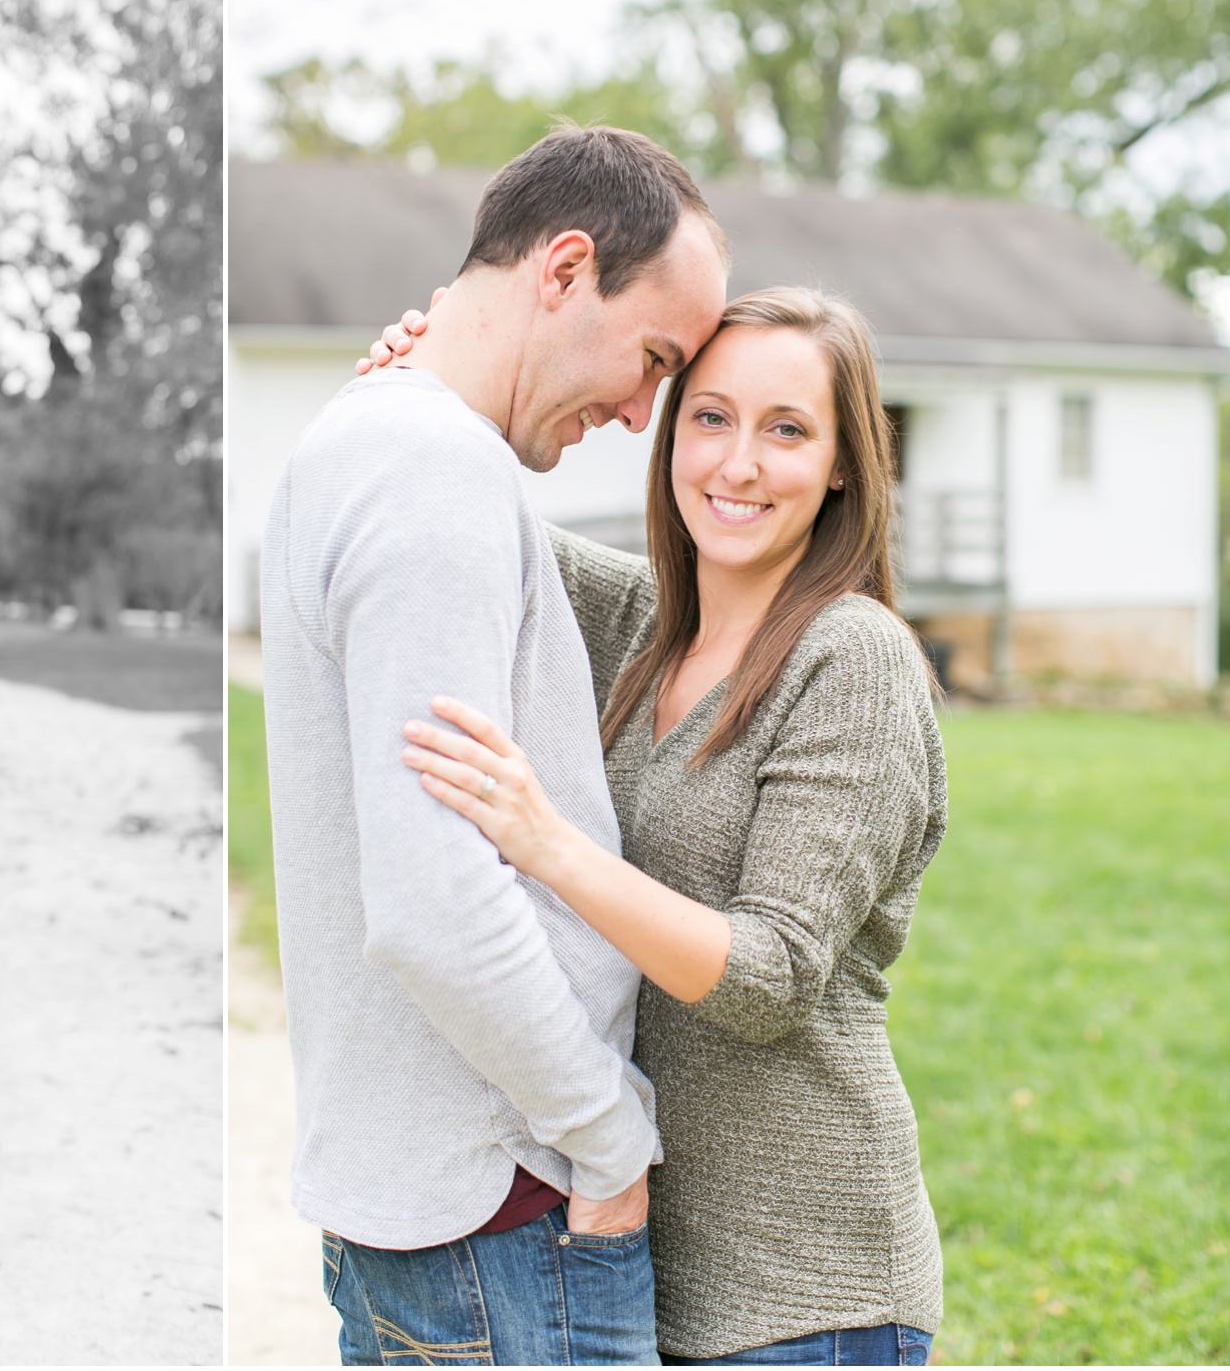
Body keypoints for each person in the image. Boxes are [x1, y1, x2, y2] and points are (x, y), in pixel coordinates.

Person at [385, 286, 946, 1366]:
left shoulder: (852, 659)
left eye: (785, 429)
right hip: (646, 1268)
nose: (736, 462)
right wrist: (418, 377)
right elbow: (458, 500)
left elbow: (768, 976)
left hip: (809, 1293)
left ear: (840, 463)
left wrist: (546, 840)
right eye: (710, 416)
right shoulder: (639, 621)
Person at [260, 123, 729, 1366]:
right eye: (652, 360)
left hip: (448, 1208)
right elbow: (432, 898)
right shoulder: (429, 473)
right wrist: (605, 1136)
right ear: (564, 268)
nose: (641, 413)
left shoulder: (373, 441)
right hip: (508, 1214)